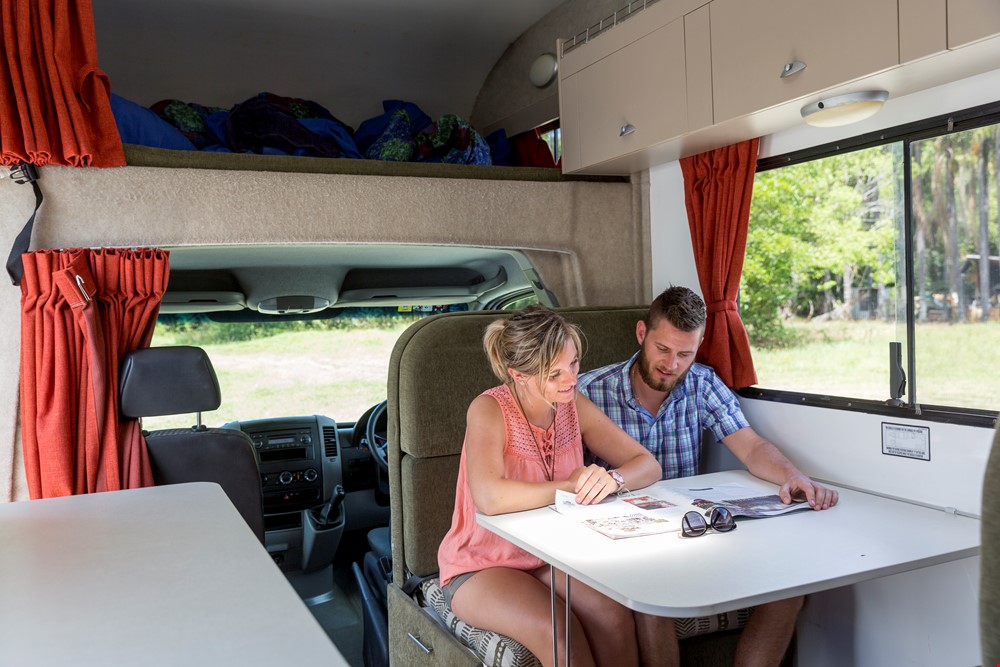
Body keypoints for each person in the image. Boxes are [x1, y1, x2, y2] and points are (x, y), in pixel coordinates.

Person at [578, 286, 840, 667]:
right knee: (653, 596)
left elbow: (751, 447)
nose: (672, 364)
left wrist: (793, 476)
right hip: (628, 539)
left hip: (694, 531)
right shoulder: (589, 391)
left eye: (685, 353)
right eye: (662, 349)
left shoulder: (702, 383)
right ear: (641, 334)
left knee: (791, 586)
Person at [437, 305, 662, 667]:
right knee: (559, 634)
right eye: (554, 373)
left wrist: (613, 478)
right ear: (519, 375)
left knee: (614, 617)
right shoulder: (488, 409)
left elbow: (647, 465)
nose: (571, 379)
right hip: (482, 565)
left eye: (573, 364)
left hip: (551, 557)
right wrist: (569, 486)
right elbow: (490, 498)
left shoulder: (575, 407)